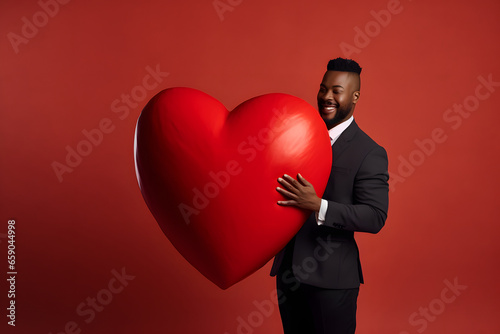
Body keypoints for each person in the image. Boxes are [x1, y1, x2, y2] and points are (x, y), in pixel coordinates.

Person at [270, 57, 389, 334]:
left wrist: (318, 206)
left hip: (332, 280)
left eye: (336, 90)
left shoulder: (370, 152)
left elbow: (375, 216)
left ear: (355, 96)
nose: (326, 96)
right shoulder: (298, 136)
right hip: (289, 274)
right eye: (323, 88)